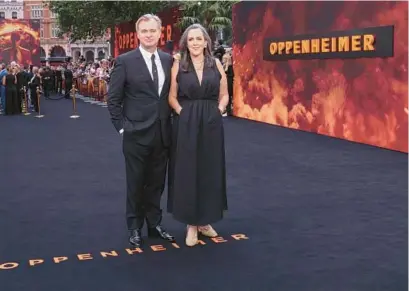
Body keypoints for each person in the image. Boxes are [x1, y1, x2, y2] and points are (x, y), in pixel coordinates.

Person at [107, 14, 174, 248]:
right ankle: (134, 227)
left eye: (152, 30)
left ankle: (154, 224)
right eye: (144, 31)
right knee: (135, 183)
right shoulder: (125, 61)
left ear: (160, 32)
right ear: (138, 34)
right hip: (135, 134)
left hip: (163, 133)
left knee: (157, 183)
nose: (148, 34)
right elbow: (113, 99)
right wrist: (122, 128)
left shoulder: (168, 60)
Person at [167, 24, 229, 247]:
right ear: (186, 42)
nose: (195, 42)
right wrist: (183, 113)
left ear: (206, 42)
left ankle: (205, 221)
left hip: (211, 123)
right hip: (187, 122)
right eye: (191, 39)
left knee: (210, 170)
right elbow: (171, 97)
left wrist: (219, 110)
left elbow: (225, 95)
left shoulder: (217, 64)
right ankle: (191, 224)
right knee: (188, 171)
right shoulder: (179, 65)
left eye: (198, 38)